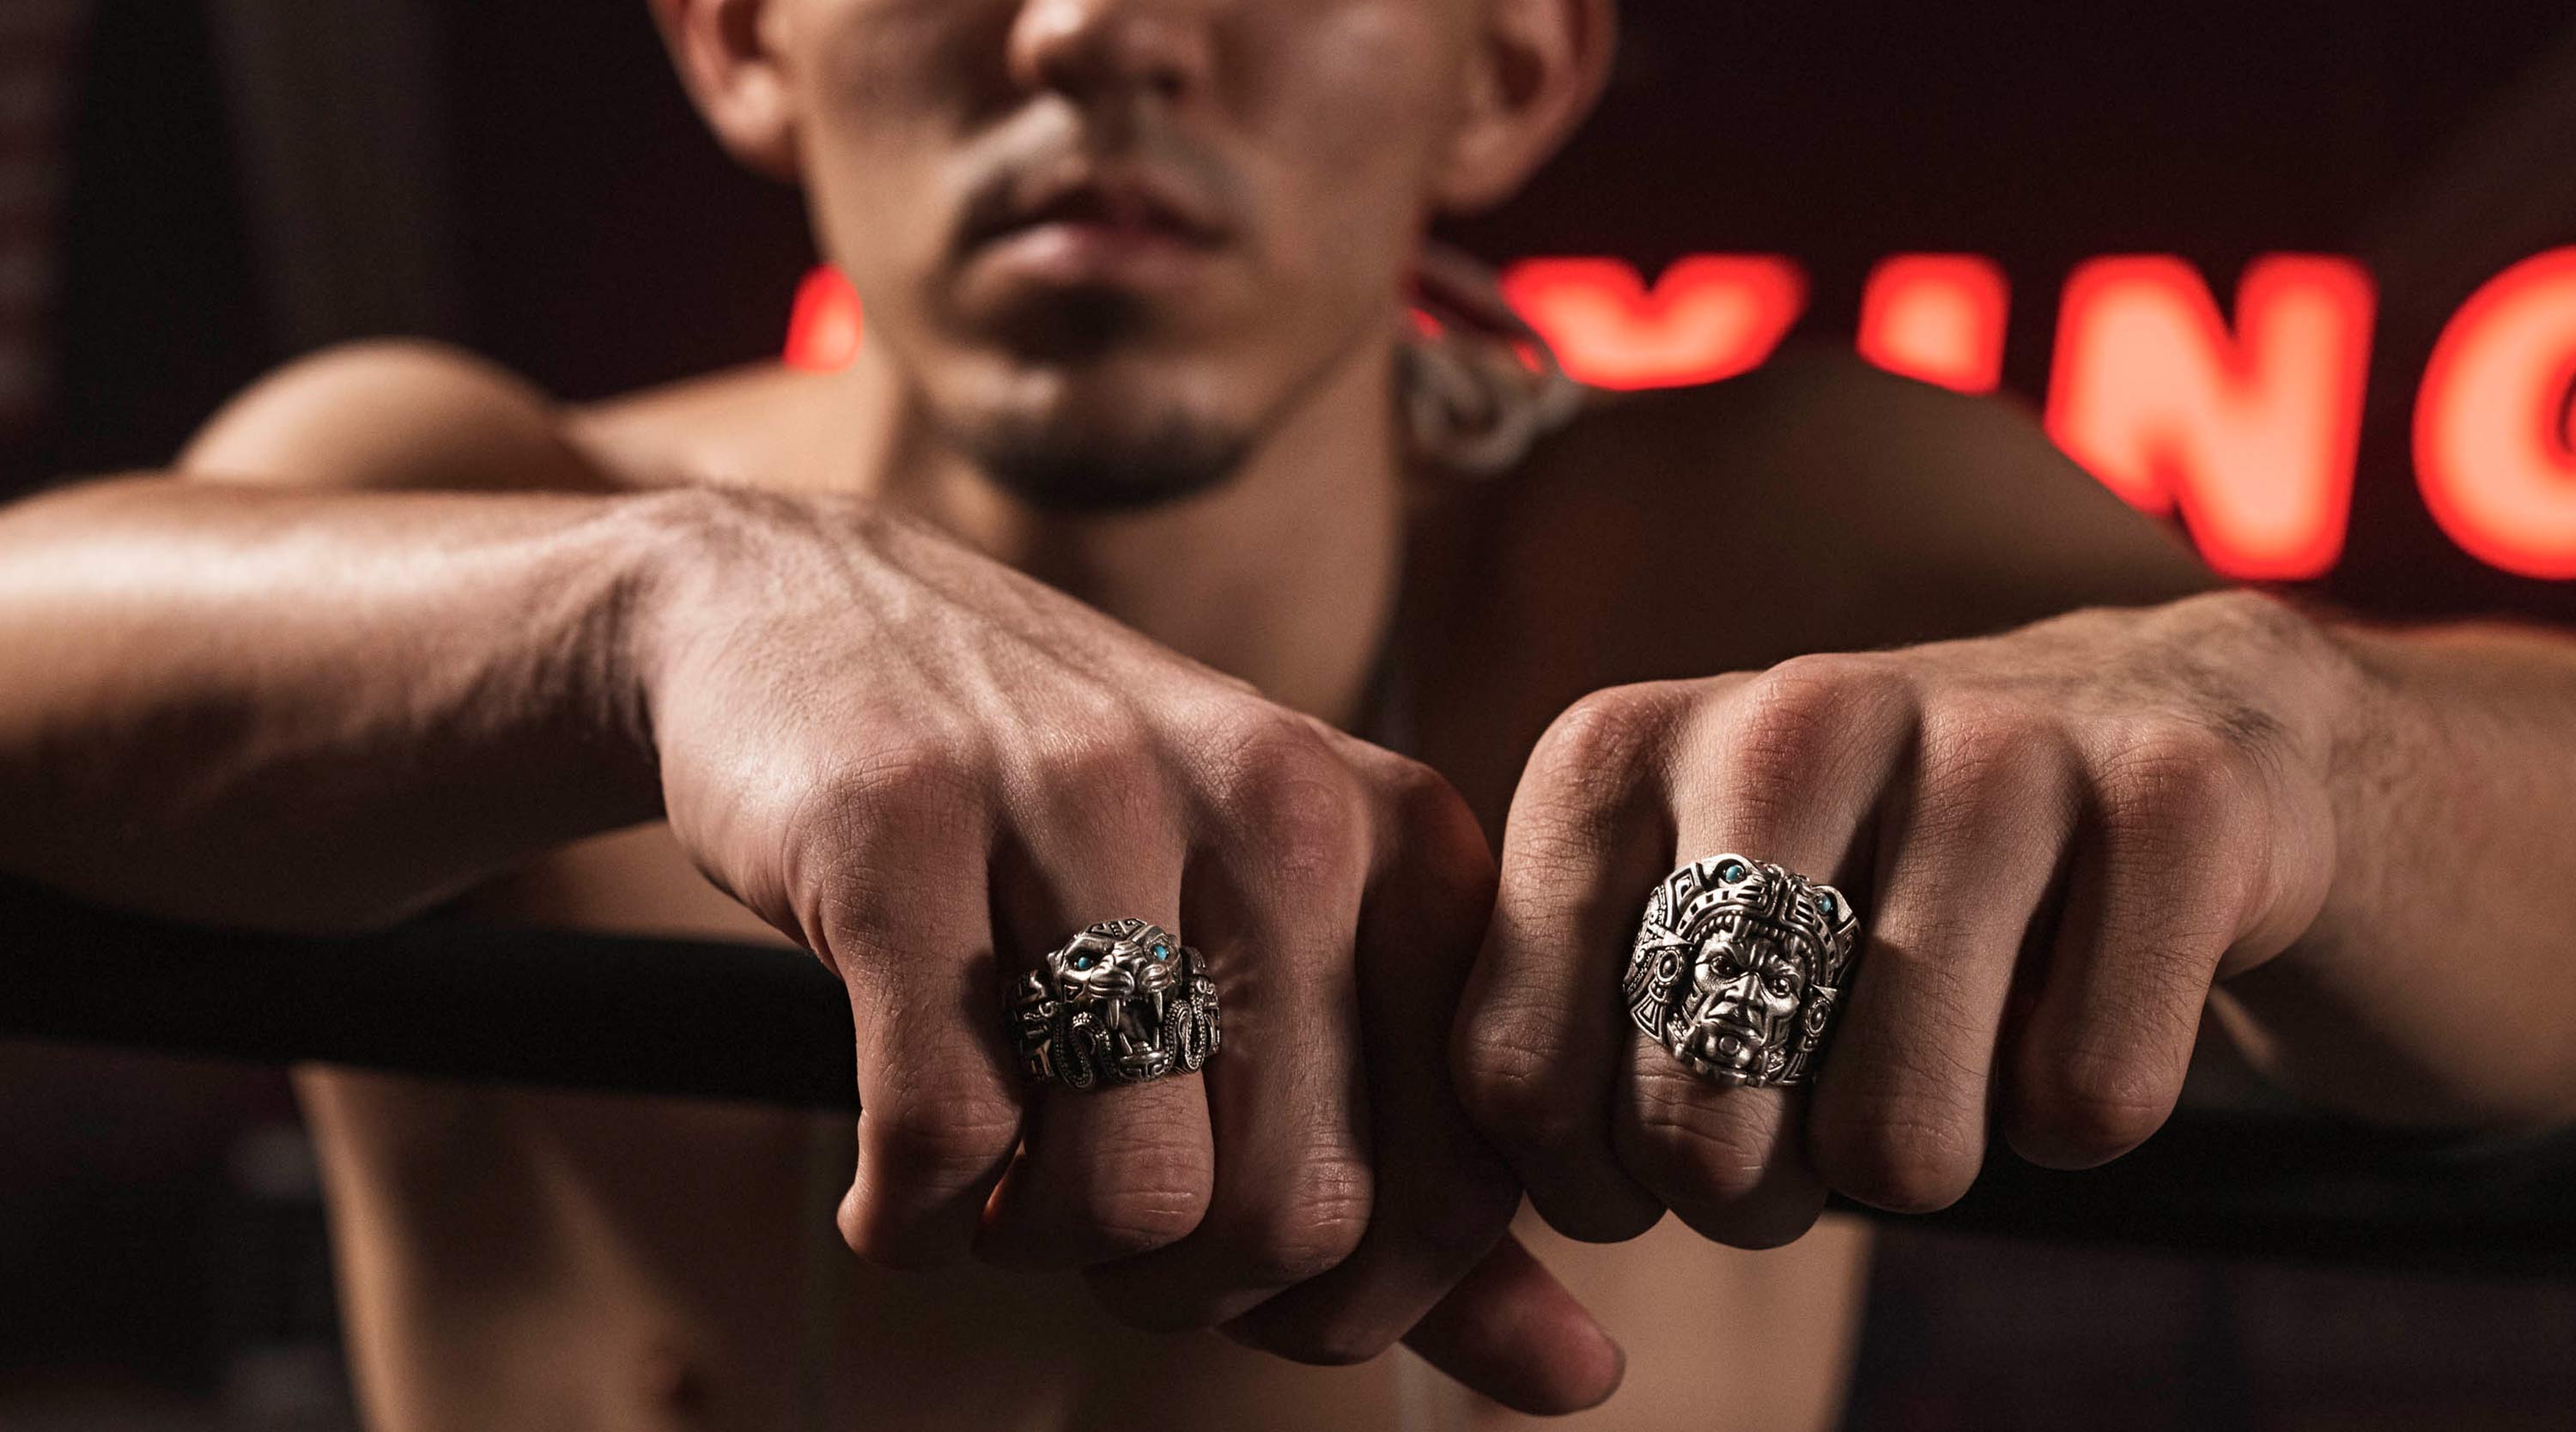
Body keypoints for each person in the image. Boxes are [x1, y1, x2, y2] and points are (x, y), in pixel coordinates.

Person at [3, 0, 2573, 1428]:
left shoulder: (1762, 545)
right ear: (738, 37)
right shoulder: (470, 510)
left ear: (1515, 67)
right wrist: (663, 613)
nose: (1102, 27)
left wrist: (2293, 722)